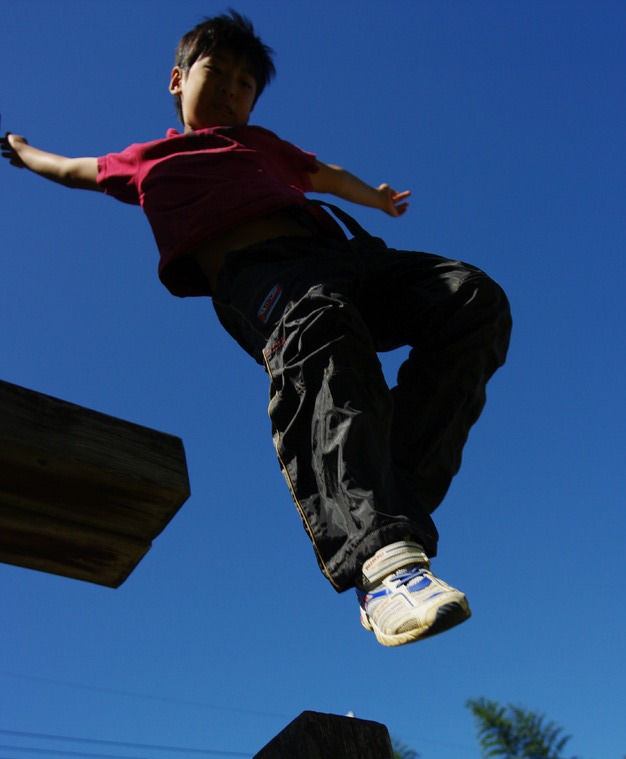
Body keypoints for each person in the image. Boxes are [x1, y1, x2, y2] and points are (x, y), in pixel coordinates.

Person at [1, 10, 511, 647]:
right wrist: (23, 153)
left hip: (347, 253)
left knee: (472, 299)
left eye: (246, 84)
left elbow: (322, 175)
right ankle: (386, 564)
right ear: (177, 79)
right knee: (321, 333)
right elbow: (75, 168)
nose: (232, 90)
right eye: (218, 74)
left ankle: (386, 493)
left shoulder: (262, 143)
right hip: (258, 275)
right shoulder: (145, 159)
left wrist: (374, 198)